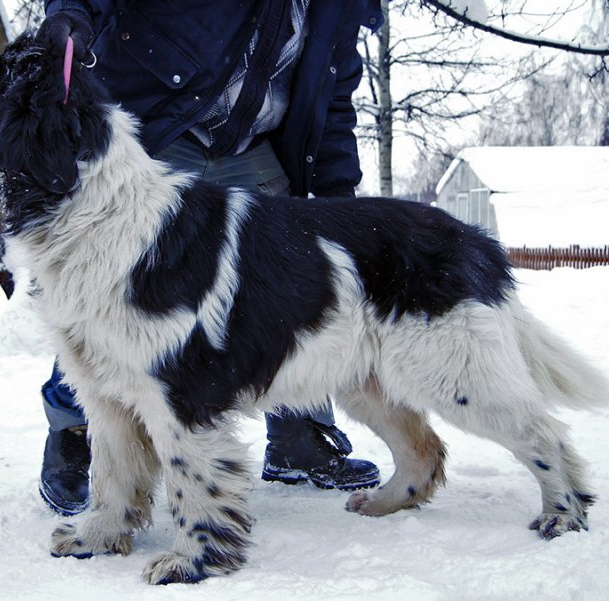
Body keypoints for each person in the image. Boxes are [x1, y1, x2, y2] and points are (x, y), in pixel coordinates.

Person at [35, 0, 385, 516]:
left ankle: (298, 432)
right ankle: (76, 435)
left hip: (253, 145)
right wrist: (69, 15)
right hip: (159, 127)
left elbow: (332, 104)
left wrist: (339, 202)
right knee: (109, 289)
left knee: (288, 281)